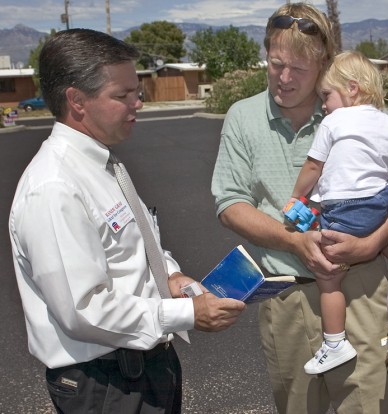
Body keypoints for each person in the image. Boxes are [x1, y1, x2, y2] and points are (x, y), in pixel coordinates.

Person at [9, 29, 245, 414]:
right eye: (122, 95)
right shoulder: (54, 187)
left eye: (136, 90)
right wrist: (187, 313)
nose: (138, 102)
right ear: (76, 100)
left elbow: (134, 240)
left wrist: (169, 276)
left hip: (144, 367)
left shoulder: (102, 164)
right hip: (106, 384)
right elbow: (84, 310)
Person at [211, 3, 388, 413]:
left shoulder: (360, 114)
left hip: (361, 288)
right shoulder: (243, 117)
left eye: (299, 69)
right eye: (276, 65)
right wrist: (294, 241)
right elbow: (230, 201)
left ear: (325, 64)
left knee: (371, 406)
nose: (285, 79)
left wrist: (374, 242)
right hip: (286, 297)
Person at [283, 50, 388, 375]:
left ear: (351, 89)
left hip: (343, 212)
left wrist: (295, 195)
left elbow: (313, 166)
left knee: (329, 278)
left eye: (326, 95)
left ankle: (335, 343)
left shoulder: (334, 120)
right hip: (380, 206)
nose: (324, 104)